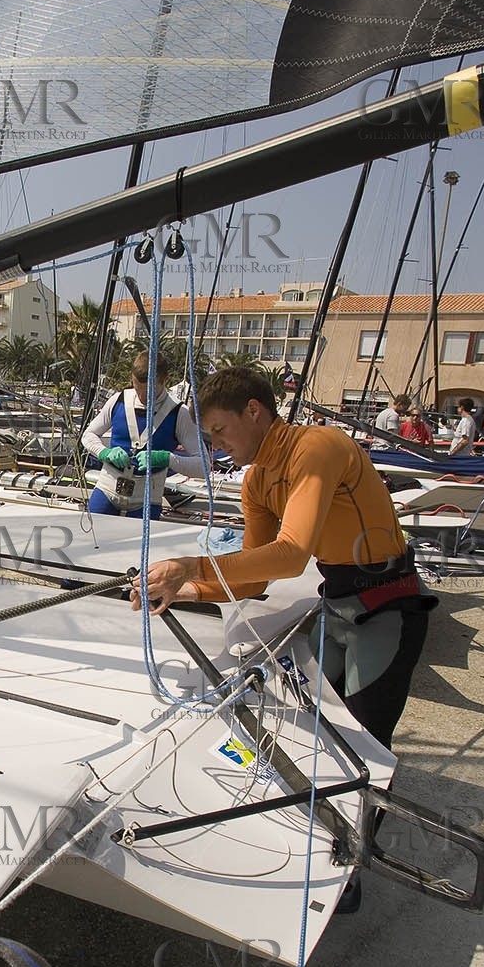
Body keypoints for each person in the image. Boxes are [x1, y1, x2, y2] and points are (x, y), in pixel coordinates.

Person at [133, 368, 436, 909]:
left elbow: (293, 554)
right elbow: (254, 578)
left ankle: (350, 872)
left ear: (254, 411)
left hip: (389, 606)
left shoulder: (317, 446)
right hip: (338, 603)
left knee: (364, 743)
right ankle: (317, 841)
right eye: (209, 436)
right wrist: (183, 589)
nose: (215, 445)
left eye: (220, 430)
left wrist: (191, 564)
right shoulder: (257, 482)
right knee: (307, 727)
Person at [81, 353, 206, 518]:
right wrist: (104, 452)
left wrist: (168, 459)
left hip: (147, 498)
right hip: (107, 488)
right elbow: (88, 435)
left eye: (149, 392)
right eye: (137, 388)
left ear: (165, 380)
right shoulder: (118, 400)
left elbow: (204, 466)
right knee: (91, 530)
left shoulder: (179, 413)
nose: (141, 397)